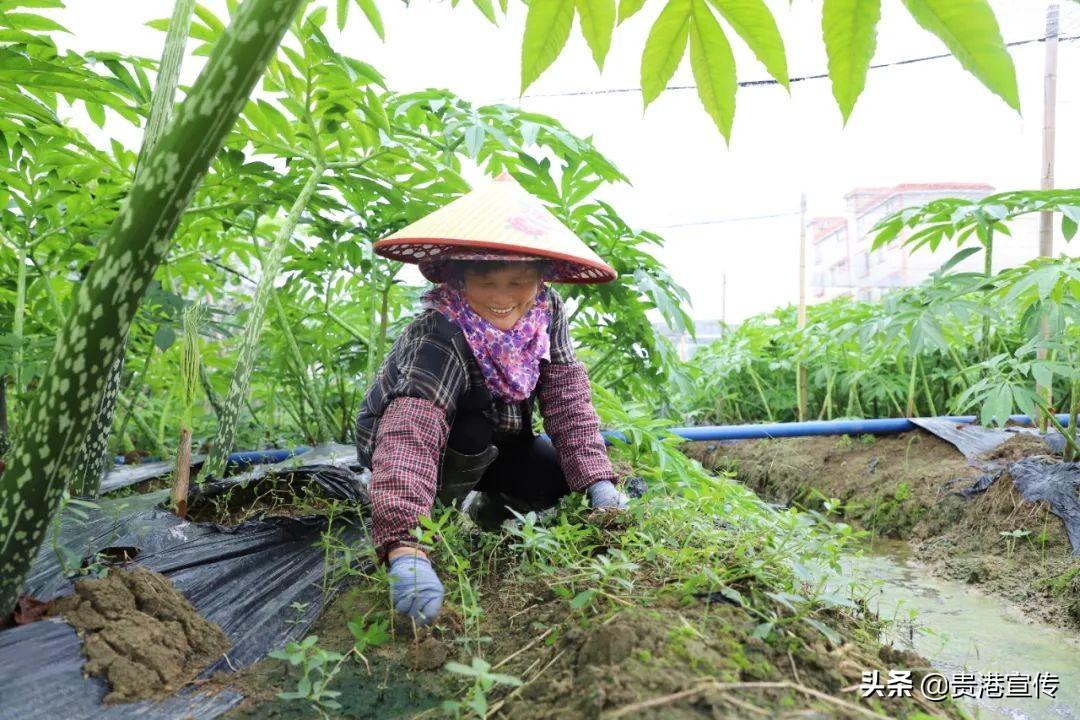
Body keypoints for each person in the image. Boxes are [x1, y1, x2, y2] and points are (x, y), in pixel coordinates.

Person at [355, 174, 630, 626]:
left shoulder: (547, 312)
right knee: (470, 428)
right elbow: (411, 433)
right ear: (459, 279)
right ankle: (434, 515)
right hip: (419, 445)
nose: (503, 299)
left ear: (539, 282)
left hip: (502, 438)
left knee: (558, 478)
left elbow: (566, 399)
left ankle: (490, 504)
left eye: (517, 281)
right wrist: (404, 544)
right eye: (486, 280)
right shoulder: (438, 330)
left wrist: (599, 482)